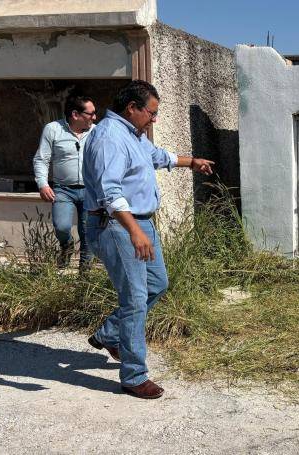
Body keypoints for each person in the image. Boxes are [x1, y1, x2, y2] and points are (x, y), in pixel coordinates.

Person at [83, 80, 214, 399]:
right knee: (135, 298)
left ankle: (110, 334)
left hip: (138, 223)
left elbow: (157, 156)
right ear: (132, 108)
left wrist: (191, 161)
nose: (154, 119)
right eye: (151, 113)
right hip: (116, 226)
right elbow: (109, 192)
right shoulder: (110, 138)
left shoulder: (132, 134)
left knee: (157, 283)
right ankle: (133, 375)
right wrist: (135, 231)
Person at [32, 95, 97, 269]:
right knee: (61, 226)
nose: (94, 117)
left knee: (87, 233)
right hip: (63, 190)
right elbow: (41, 159)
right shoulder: (53, 129)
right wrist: (43, 184)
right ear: (75, 114)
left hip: (90, 190)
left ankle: (85, 276)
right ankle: (66, 246)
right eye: (91, 113)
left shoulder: (96, 132)